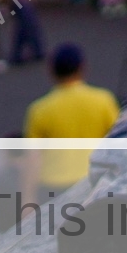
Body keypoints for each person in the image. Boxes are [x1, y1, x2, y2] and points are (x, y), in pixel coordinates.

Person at [22, 43, 119, 195]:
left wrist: (27, 197)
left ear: (51, 71)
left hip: (52, 185)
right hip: (92, 182)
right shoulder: (103, 100)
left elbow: (34, 157)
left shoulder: (39, 109)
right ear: (82, 67)